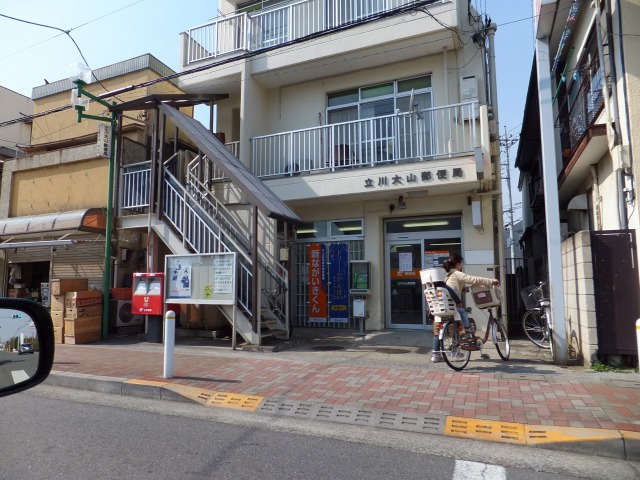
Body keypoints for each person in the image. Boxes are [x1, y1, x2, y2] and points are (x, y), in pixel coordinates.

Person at [443, 252, 498, 333]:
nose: (461, 266)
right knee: (463, 311)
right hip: (453, 303)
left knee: (460, 313)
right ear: (458, 263)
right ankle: (468, 328)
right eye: (461, 263)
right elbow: (474, 279)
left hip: (447, 303)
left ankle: (459, 332)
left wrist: (462, 289)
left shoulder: (447, 274)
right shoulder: (456, 274)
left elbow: (452, 287)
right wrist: (491, 281)